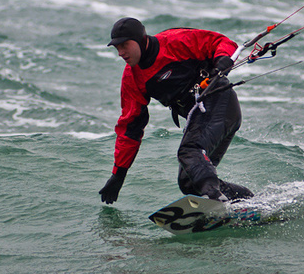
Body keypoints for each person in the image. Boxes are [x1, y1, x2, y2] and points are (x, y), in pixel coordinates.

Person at [99, 17, 254, 205]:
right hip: (201, 116)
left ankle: (214, 198)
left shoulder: (174, 41)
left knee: (190, 151)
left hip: (220, 102)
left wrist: (222, 58)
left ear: (140, 39)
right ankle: (246, 202)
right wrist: (118, 174)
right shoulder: (132, 78)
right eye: (117, 48)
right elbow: (130, 129)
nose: (121, 53)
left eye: (124, 45)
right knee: (189, 181)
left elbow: (221, 42)